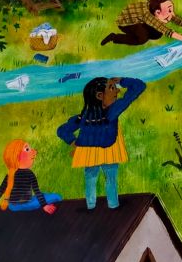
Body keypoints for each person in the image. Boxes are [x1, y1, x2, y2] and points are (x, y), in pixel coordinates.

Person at [57, 77, 146, 210]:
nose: (117, 91)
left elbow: (62, 130)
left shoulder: (84, 116)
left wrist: (73, 142)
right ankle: (113, 205)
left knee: (91, 179)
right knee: (110, 179)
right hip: (109, 151)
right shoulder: (113, 111)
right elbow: (139, 86)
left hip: (89, 153)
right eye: (112, 88)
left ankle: (91, 206)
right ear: (100, 96)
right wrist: (121, 80)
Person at [101, 0, 182, 46]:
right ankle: (114, 37)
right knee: (142, 39)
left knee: (157, 33)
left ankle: (144, 32)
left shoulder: (158, 9)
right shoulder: (148, 15)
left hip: (139, 19)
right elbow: (166, 30)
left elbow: (179, 21)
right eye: (169, 11)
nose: (172, 14)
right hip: (126, 24)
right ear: (157, 12)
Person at [0, 139, 61, 213]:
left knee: (43, 195)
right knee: (56, 196)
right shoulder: (29, 174)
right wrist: (44, 205)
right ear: (17, 156)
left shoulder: (10, 174)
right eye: (27, 149)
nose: (34, 152)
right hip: (27, 205)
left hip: (13, 206)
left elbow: (1, 190)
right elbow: (36, 191)